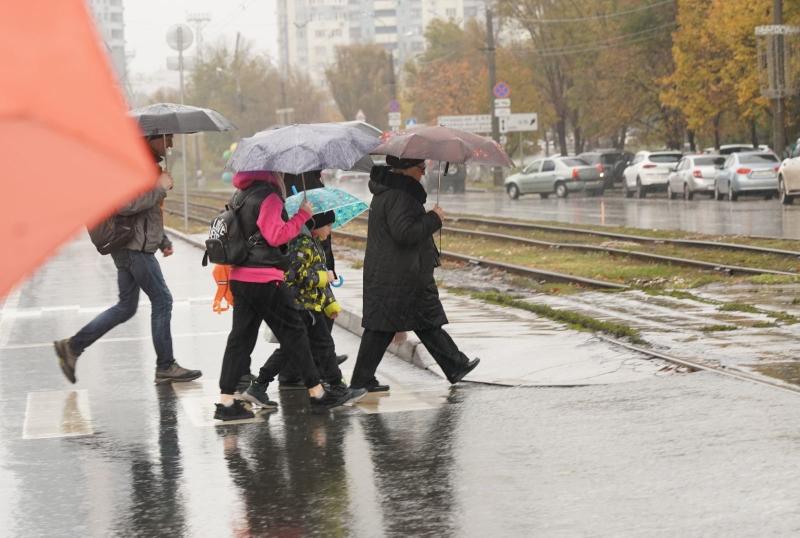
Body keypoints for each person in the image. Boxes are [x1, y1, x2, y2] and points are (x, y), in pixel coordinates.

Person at [54, 134, 202, 385]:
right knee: (163, 300)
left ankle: (73, 346)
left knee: (126, 307)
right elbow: (125, 204)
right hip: (135, 250)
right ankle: (166, 365)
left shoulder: (145, 165)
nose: (170, 144)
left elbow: (144, 215)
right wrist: (159, 188)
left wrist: (162, 239)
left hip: (131, 246)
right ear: (151, 138)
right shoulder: (134, 166)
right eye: (166, 138)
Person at [214, 170, 361, 421]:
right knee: (295, 333)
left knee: (239, 340)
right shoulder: (268, 197)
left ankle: (226, 403)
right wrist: (303, 215)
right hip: (265, 278)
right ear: (271, 173)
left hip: (240, 276)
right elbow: (276, 235)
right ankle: (317, 393)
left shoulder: (241, 195)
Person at [349, 156, 480, 392]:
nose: (423, 173)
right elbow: (405, 233)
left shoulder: (390, 191)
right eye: (420, 169)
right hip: (402, 274)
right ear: (406, 170)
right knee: (406, 325)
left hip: (395, 272)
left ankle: (454, 365)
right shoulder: (400, 195)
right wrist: (434, 219)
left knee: (404, 324)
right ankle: (454, 365)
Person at [242, 210, 364, 408]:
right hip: (300, 306)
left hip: (310, 305)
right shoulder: (302, 243)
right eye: (329, 225)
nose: (330, 230)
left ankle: (259, 386)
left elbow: (317, 275)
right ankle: (337, 388)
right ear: (317, 226)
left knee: (297, 348)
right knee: (318, 346)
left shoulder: (314, 243)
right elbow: (294, 275)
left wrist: (329, 303)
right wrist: (324, 277)